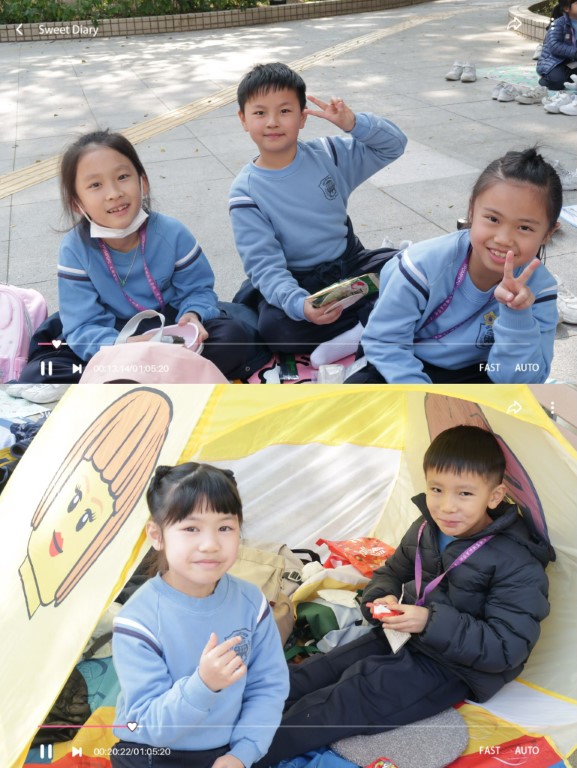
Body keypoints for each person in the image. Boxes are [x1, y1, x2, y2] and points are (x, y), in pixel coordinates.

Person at [255, 426, 554, 767]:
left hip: (453, 668)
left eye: (465, 494)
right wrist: (380, 599)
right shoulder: (426, 528)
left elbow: (506, 649)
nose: (447, 506)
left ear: (495, 496)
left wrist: (429, 621)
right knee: (315, 672)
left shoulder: (516, 561)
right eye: (436, 489)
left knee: (341, 701)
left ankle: (238, 755)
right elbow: (391, 573)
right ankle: (219, 717)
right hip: (403, 634)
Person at [19, 130, 265, 383]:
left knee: (233, 337)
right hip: (111, 338)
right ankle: (165, 375)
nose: (114, 193)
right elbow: (82, 326)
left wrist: (193, 315)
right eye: (95, 185)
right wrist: (125, 345)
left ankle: (134, 378)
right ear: (76, 202)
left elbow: (198, 290)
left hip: (173, 329)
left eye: (122, 177)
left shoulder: (172, 233)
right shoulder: (75, 249)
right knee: (42, 372)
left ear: (143, 182)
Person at [111, 462, 289, 768]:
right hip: (152, 750)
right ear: (157, 535)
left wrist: (242, 753)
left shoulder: (251, 602)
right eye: (191, 528)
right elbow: (145, 722)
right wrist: (204, 685)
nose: (210, 545)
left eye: (225, 528)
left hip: (224, 750)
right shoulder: (137, 621)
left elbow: (267, 686)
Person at [229, 62, 407, 355]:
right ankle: (371, 322)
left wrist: (353, 124)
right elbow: (264, 265)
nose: (272, 122)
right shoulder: (245, 192)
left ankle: (357, 329)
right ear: (243, 119)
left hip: (351, 265)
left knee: (413, 269)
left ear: (302, 117)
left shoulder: (329, 154)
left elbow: (394, 145)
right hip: (300, 281)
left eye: (284, 111)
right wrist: (300, 305)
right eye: (260, 113)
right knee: (278, 331)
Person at [346, 148, 561, 384]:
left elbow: (520, 380)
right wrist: (425, 395)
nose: (503, 238)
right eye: (493, 219)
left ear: (548, 233)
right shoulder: (421, 267)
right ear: (472, 211)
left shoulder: (540, 290)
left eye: (524, 228)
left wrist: (516, 316)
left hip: (480, 372)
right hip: (404, 363)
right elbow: (385, 343)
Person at [537, 0, 577, 91]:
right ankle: (547, 78)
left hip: (573, 61)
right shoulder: (558, 24)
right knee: (556, 82)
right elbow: (554, 46)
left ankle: (571, 79)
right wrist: (575, 52)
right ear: (566, 8)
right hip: (556, 62)